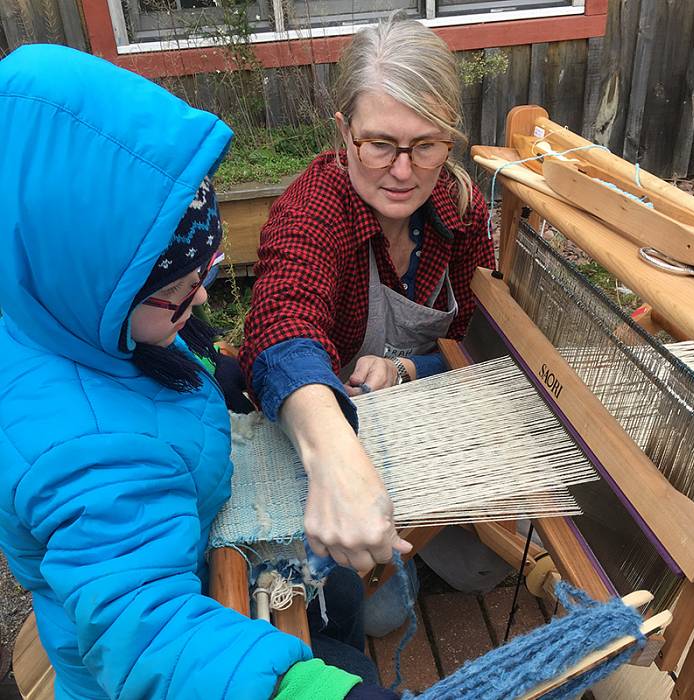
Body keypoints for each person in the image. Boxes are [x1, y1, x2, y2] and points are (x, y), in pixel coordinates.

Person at [0, 44, 398, 699]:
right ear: (107, 291)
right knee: (338, 651)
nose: (204, 299)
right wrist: (312, 691)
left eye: (208, 274)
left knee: (343, 594)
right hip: (164, 646)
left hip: (189, 554)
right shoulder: (85, 455)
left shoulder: (67, 316)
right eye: (183, 289)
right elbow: (150, 636)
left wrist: (233, 374)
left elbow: (168, 374)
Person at [239, 15, 503, 635]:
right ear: (343, 133)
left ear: (450, 141)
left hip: (433, 425)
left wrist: (411, 369)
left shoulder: (460, 213)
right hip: (342, 436)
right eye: (379, 144)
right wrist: (335, 456)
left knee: (483, 572)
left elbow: (480, 343)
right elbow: (280, 327)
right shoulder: (313, 212)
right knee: (376, 614)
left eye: (426, 145)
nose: (404, 172)